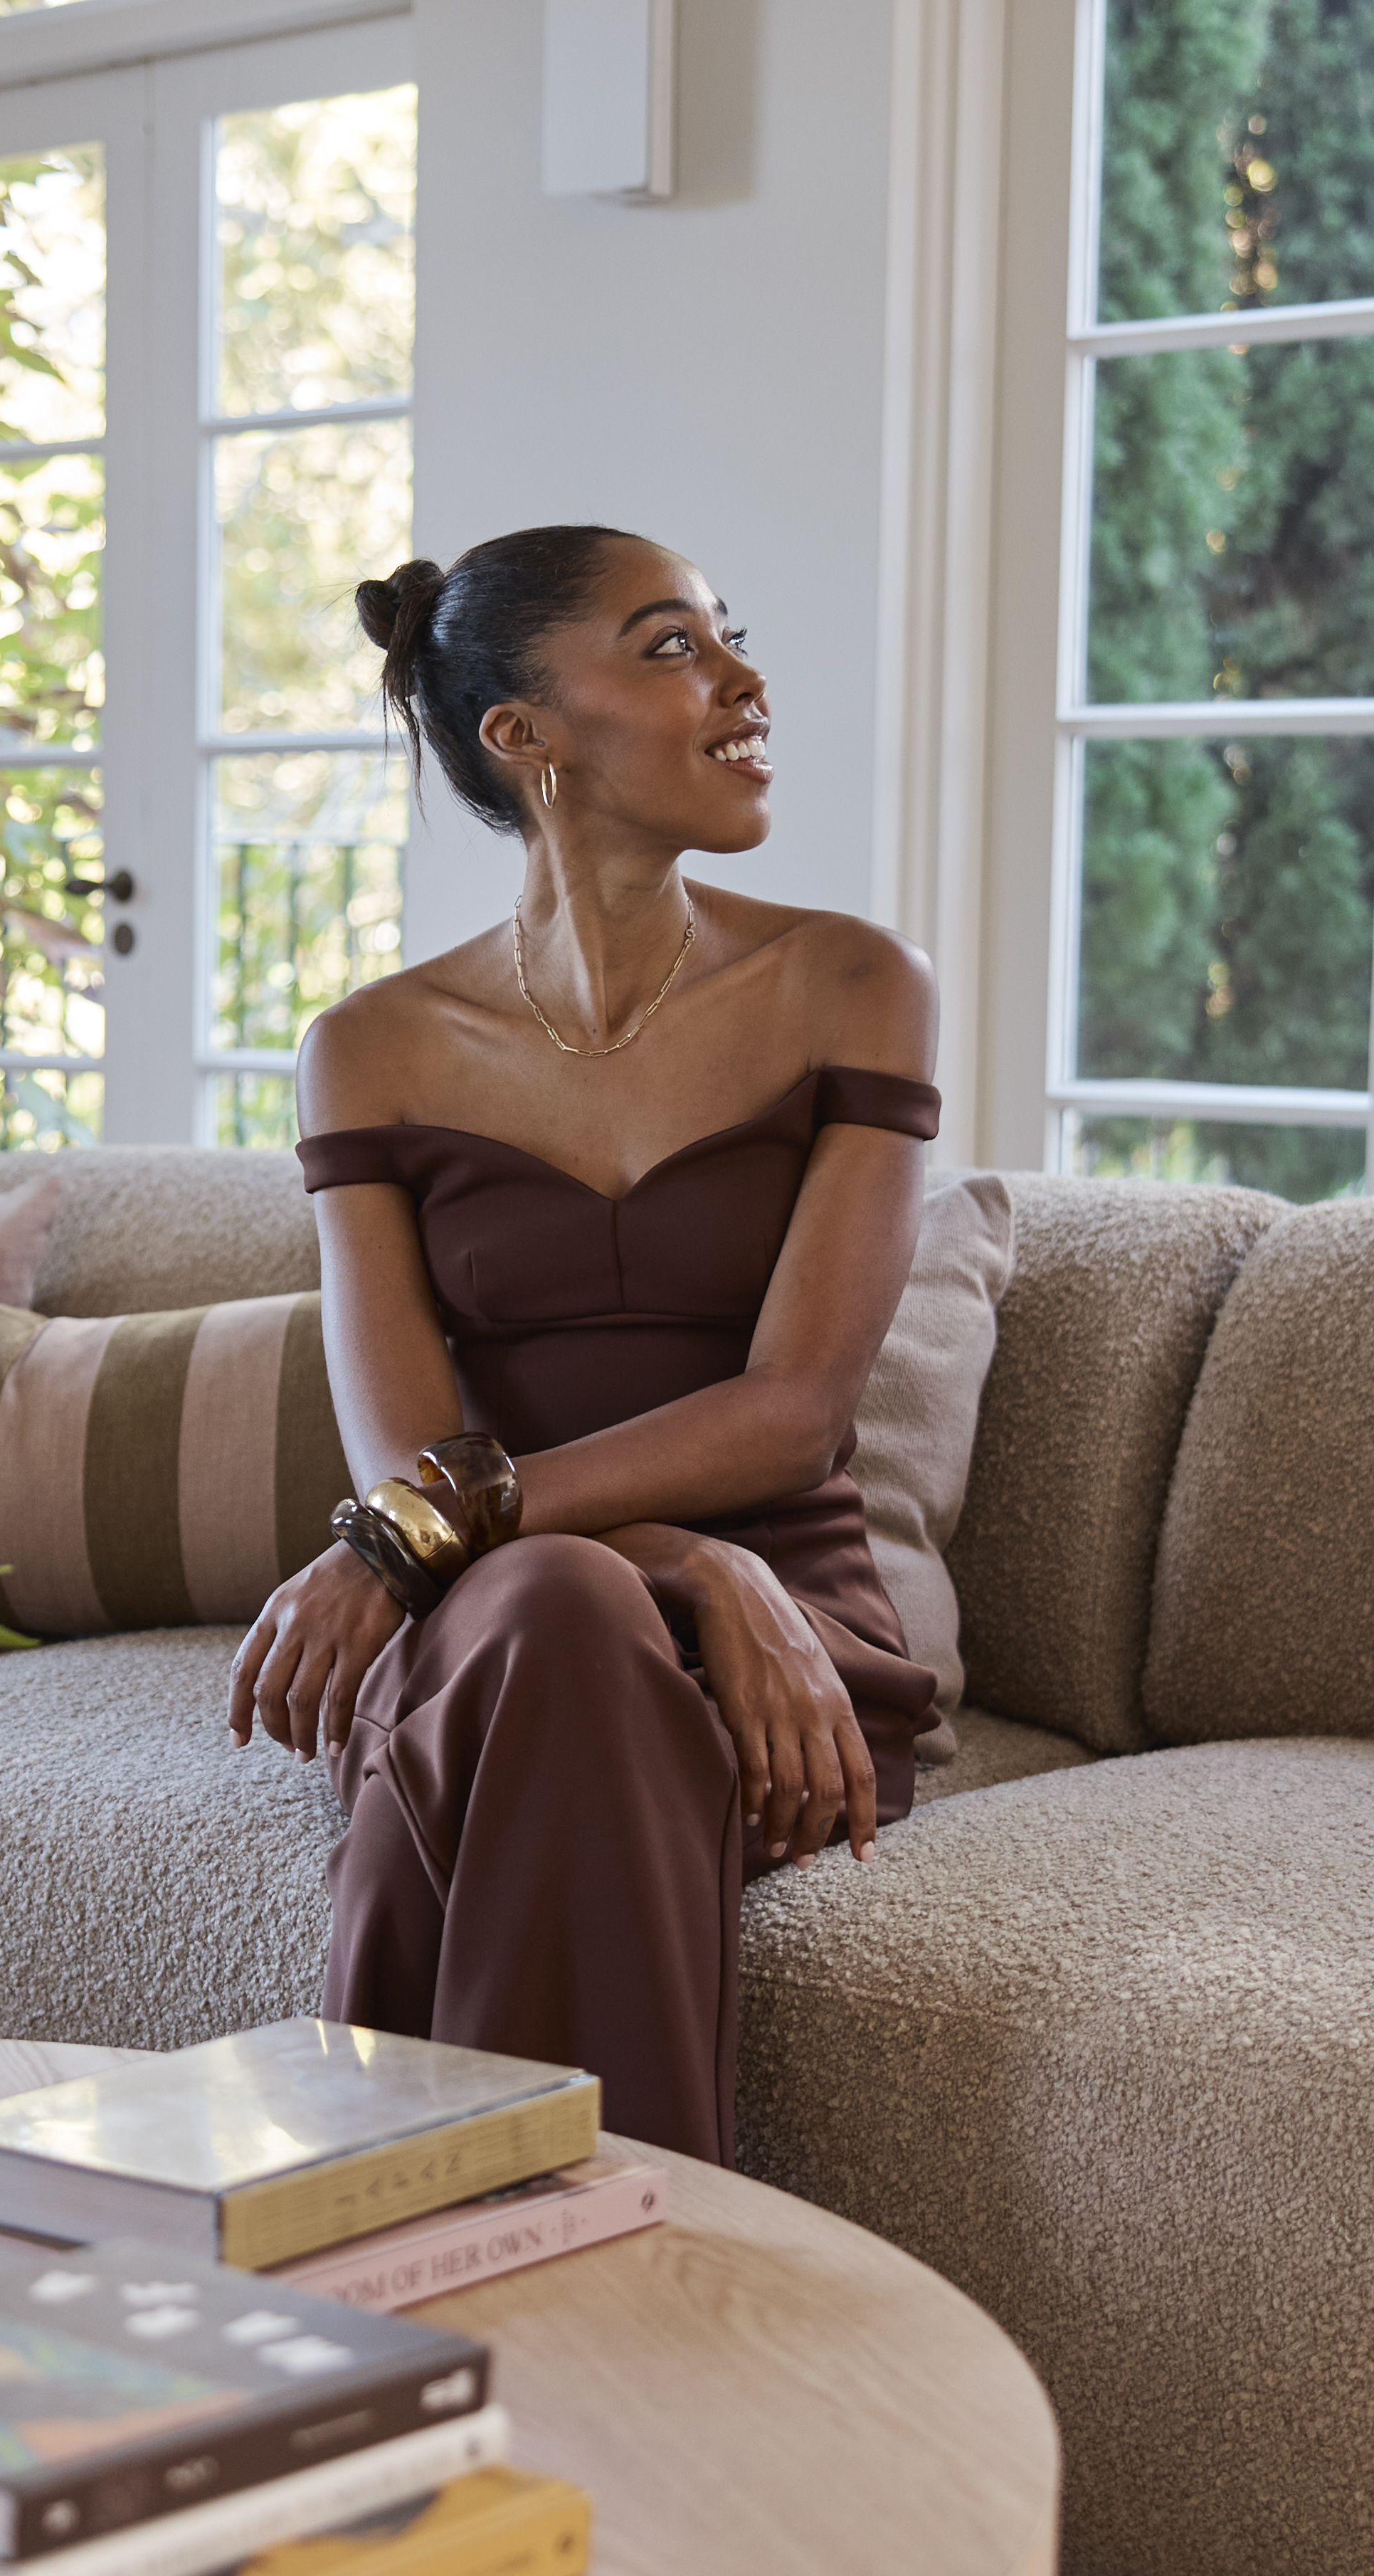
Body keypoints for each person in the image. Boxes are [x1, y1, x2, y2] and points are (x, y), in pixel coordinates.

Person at [222, 524, 943, 2163]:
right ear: (526, 736)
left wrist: (707, 1564)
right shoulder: (375, 1049)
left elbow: (791, 1413)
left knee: (554, 1597)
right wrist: (686, 1559)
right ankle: (618, 2297)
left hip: (786, 1642)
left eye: (729, 636)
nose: (745, 681)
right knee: (556, 1596)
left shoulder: (849, 984)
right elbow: (405, 1461)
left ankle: (411, 2248)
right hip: (501, 1613)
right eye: (674, 645)